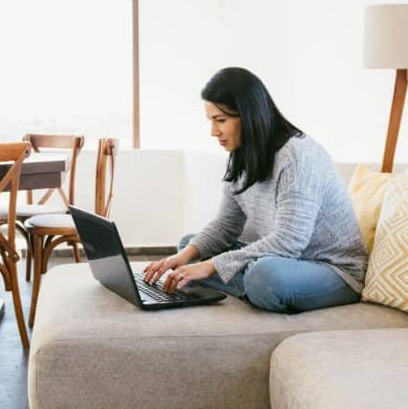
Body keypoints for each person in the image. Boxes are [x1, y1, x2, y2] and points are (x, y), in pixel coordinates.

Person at [143, 67, 367, 313]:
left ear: (249, 116)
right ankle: (250, 284)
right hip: (281, 260)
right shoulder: (241, 155)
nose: (213, 132)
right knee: (189, 247)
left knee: (262, 276)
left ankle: (254, 285)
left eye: (221, 120)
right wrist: (184, 256)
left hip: (331, 269)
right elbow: (225, 226)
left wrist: (212, 267)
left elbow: (289, 242)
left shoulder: (298, 156)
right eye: (211, 121)